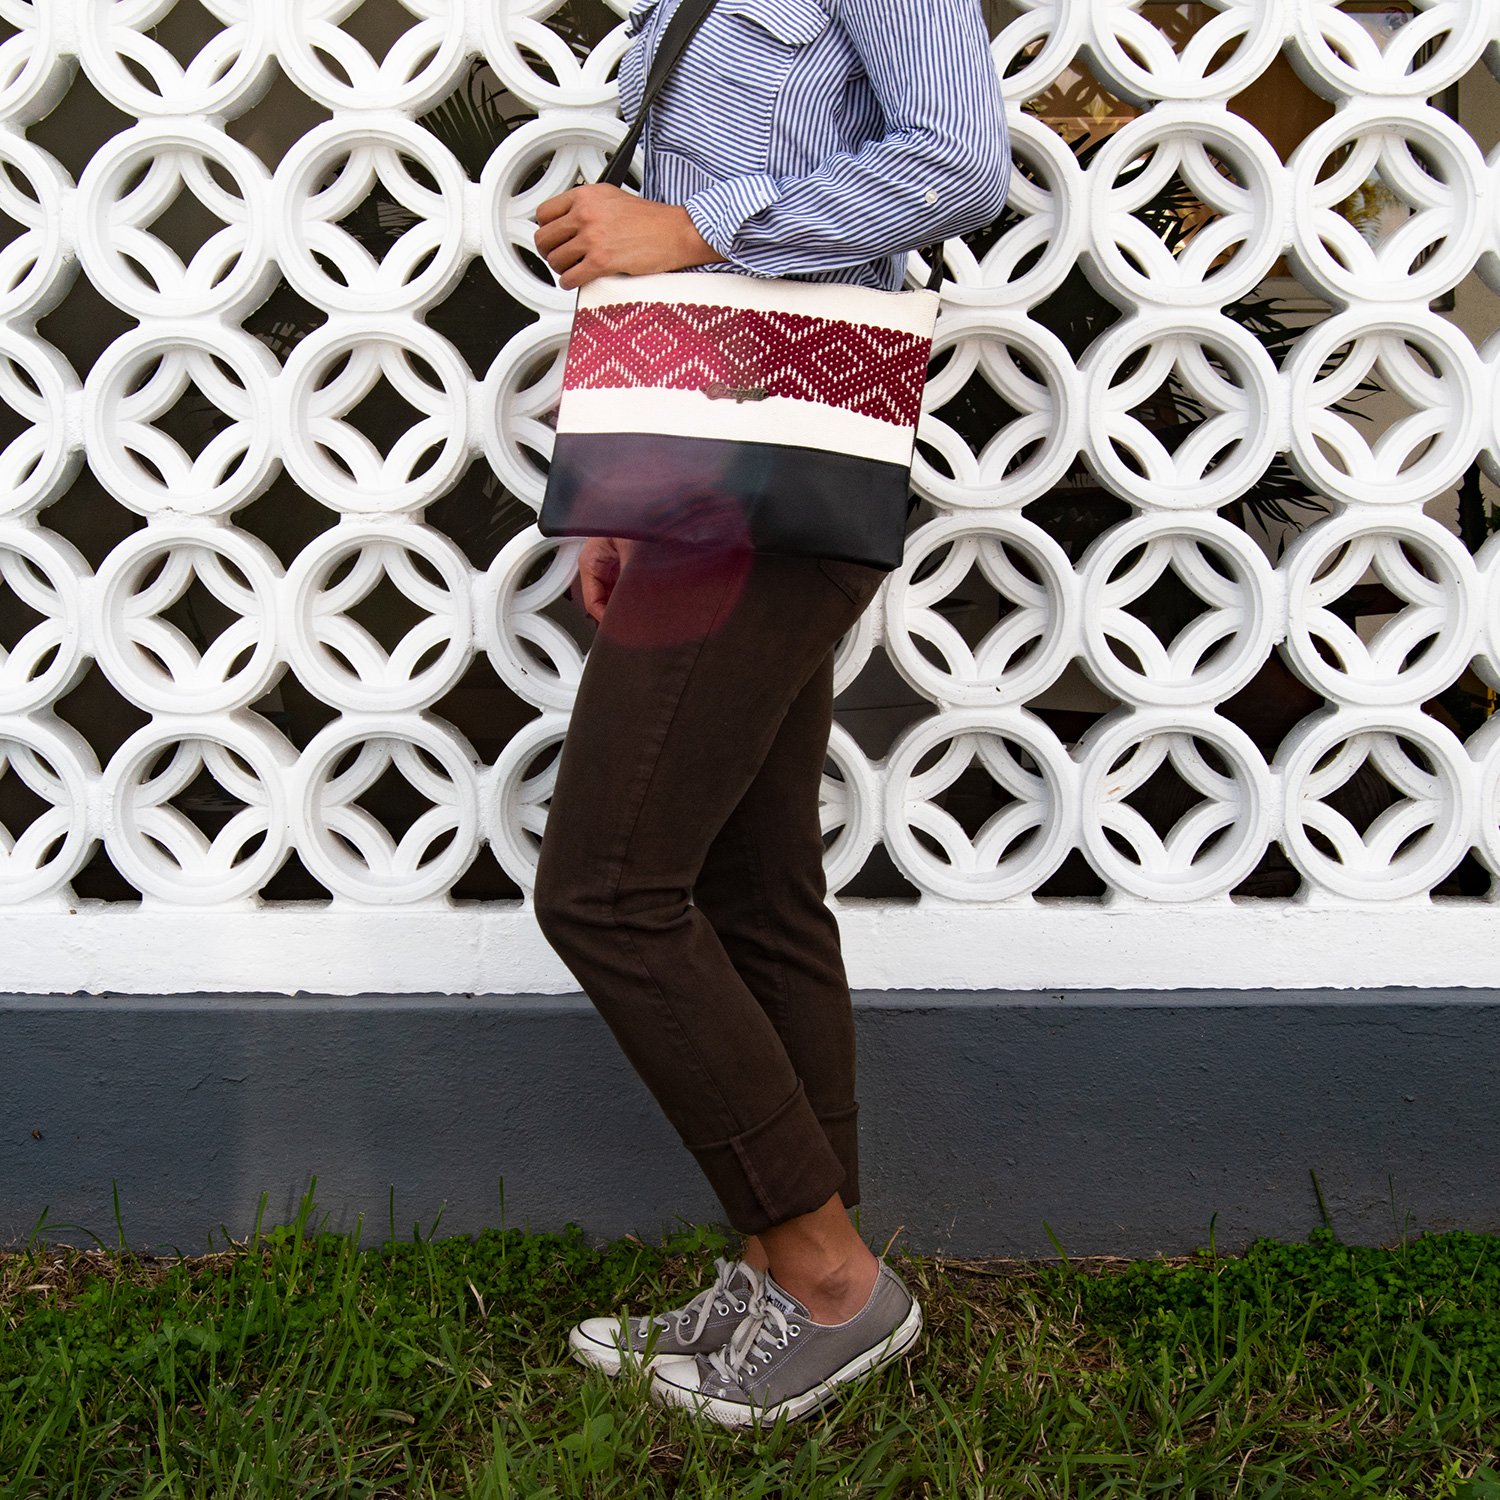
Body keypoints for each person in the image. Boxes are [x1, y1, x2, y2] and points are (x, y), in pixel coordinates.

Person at [530, 0, 1009, 1428]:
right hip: (700, 460)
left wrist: (690, 226)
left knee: (608, 889)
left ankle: (832, 1279)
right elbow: (679, 272)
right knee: (754, 883)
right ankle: (778, 1277)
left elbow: (958, 161)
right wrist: (625, 489)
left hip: (787, 464)